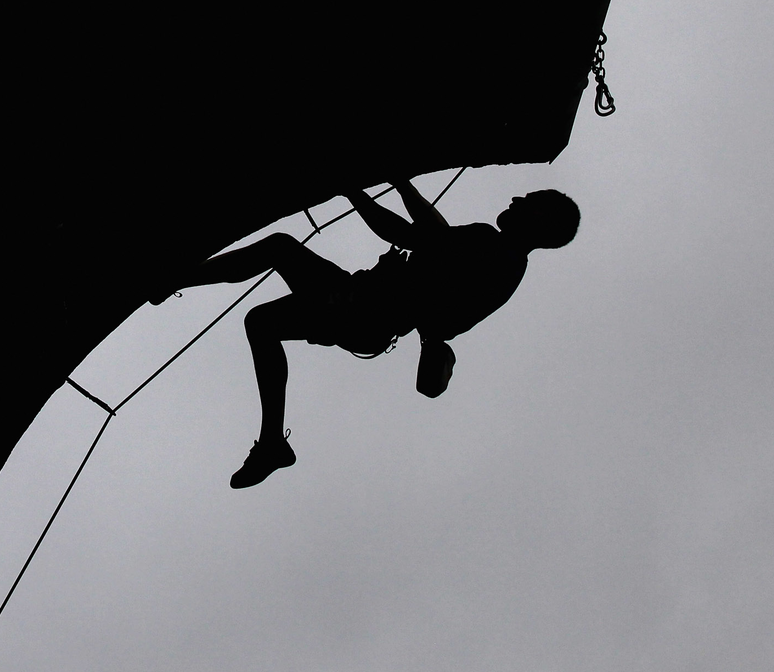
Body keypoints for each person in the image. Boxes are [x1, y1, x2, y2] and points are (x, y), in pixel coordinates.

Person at [164, 179, 580, 489]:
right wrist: (398, 182)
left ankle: (172, 279)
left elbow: (412, 234)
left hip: (361, 310)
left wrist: (354, 188)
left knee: (273, 273)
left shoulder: (496, 252)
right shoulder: (501, 260)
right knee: (268, 291)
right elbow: (436, 235)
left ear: (544, 221)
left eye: (531, 201)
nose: (517, 199)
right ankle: (271, 440)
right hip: (362, 309)